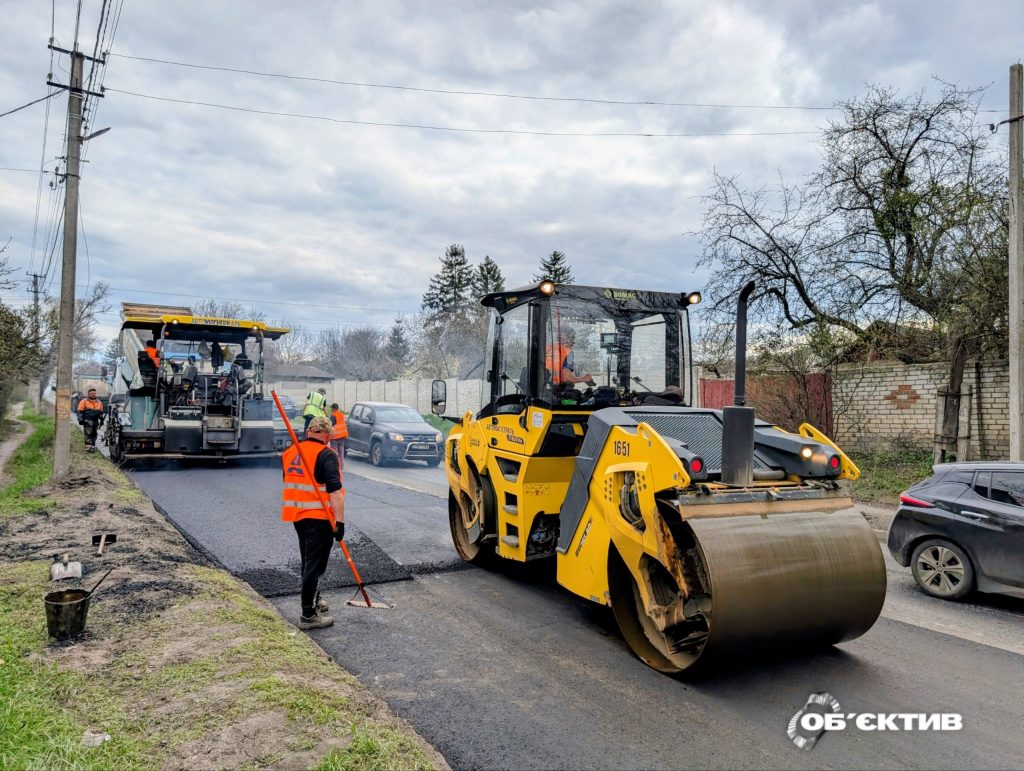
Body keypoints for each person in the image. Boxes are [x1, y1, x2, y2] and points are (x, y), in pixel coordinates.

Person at [281, 415, 346, 630]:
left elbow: (289, 480)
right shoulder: (327, 454)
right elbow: (335, 491)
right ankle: (308, 615)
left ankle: (313, 600)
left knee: (308, 561)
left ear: (309, 432)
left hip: (298, 515)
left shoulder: (291, 452)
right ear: (327, 435)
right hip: (319, 517)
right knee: (314, 566)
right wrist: (340, 523)